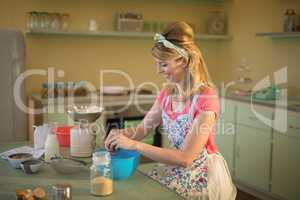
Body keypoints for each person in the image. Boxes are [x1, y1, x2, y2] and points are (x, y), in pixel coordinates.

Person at [105, 21, 237, 199]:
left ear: (182, 61)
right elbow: (141, 129)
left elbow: (186, 158)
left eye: (163, 64)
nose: (158, 70)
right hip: (175, 169)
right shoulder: (167, 92)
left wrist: (134, 145)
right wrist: (120, 135)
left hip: (201, 177)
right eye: (157, 63)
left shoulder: (206, 99)